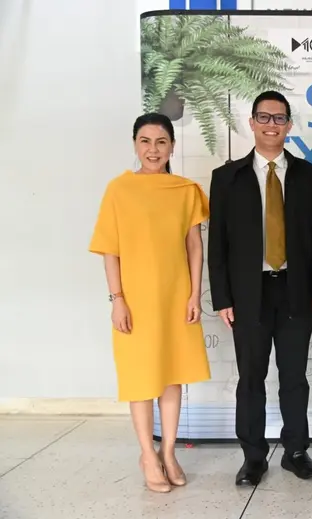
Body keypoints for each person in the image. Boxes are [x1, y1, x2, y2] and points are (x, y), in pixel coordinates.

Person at [207, 90, 312, 486]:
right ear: (252, 123)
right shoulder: (227, 178)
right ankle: (253, 457)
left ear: (289, 125)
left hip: (295, 289)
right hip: (248, 294)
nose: (271, 125)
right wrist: (223, 298)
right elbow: (217, 245)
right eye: (264, 117)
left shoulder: (308, 176)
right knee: (251, 379)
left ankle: (296, 452)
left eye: (279, 118)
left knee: (294, 377)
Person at [88, 113, 211, 493]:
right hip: (135, 301)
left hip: (176, 297)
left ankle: (168, 451)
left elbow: (194, 246)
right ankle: (147, 454)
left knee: (172, 376)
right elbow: (110, 250)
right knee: (141, 379)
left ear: (172, 146)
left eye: (161, 142)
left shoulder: (185, 190)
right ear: (135, 144)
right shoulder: (119, 190)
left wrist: (194, 294)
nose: (153, 150)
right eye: (145, 141)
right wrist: (117, 300)